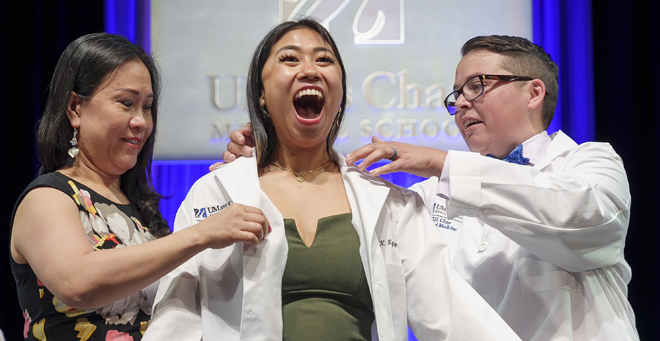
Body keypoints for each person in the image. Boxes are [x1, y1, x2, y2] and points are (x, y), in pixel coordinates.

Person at [225, 35, 639, 340]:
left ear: (534, 92)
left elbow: (582, 219)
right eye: (457, 93)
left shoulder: (590, 164)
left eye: (477, 86)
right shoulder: (425, 199)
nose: (460, 103)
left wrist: (441, 162)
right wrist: (263, 171)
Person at [143, 19, 520, 341]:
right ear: (260, 94)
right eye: (289, 59)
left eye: (324, 60)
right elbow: (177, 316)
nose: (310, 70)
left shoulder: (388, 202)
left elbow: (452, 316)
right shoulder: (215, 192)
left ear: (340, 94)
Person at [9, 33, 268, 340]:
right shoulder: (47, 197)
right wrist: (202, 234)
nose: (141, 121)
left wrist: (240, 175)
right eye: (126, 103)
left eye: (147, 107)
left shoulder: (140, 210)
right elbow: (77, 284)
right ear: (76, 108)